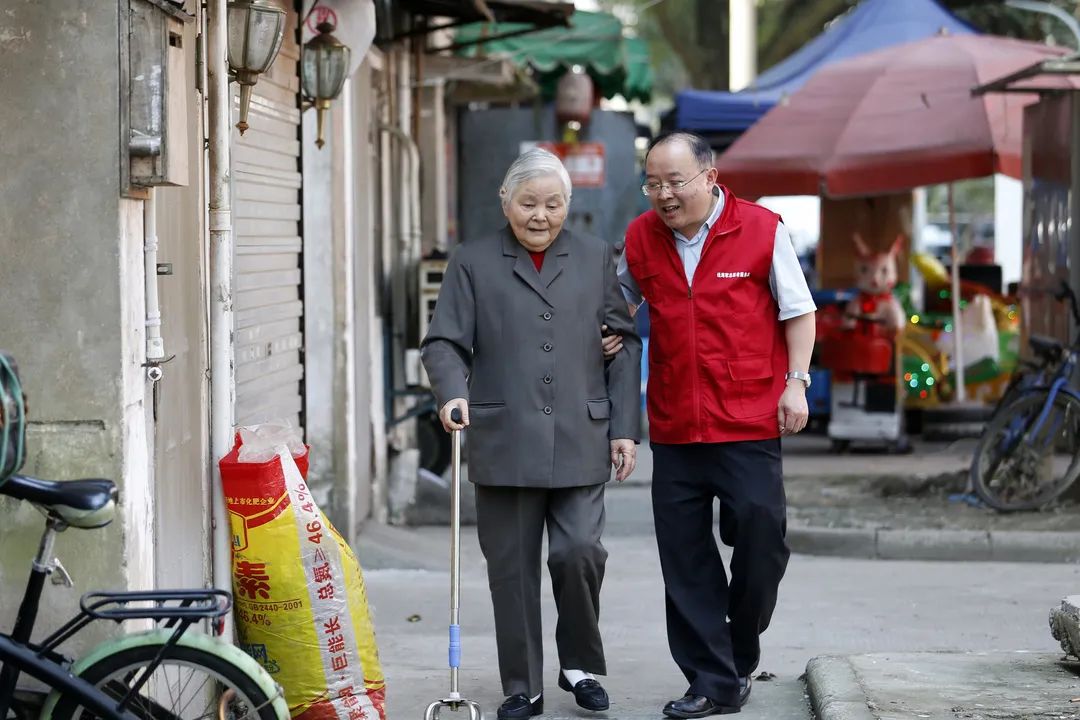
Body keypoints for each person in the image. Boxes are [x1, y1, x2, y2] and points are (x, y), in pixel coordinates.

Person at [421, 148, 642, 720]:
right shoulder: (473, 261)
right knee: (512, 572)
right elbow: (442, 342)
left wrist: (625, 429)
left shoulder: (595, 258)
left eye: (553, 203)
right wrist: (451, 394)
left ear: (569, 204)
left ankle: (580, 666)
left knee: (579, 553)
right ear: (505, 201)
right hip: (503, 438)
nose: (540, 215)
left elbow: (624, 343)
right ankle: (523, 686)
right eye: (529, 203)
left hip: (580, 435)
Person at [617, 132, 817, 718]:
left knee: (761, 537)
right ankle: (712, 680)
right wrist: (609, 328)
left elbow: (798, 310)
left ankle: (739, 643)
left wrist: (796, 383)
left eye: (675, 181)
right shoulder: (640, 237)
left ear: (710, 175)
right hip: (676, 422)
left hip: (749, 416)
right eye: (652, 183)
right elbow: (616, 304)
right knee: (684, 559)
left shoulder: (760, 228)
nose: (664, 195)